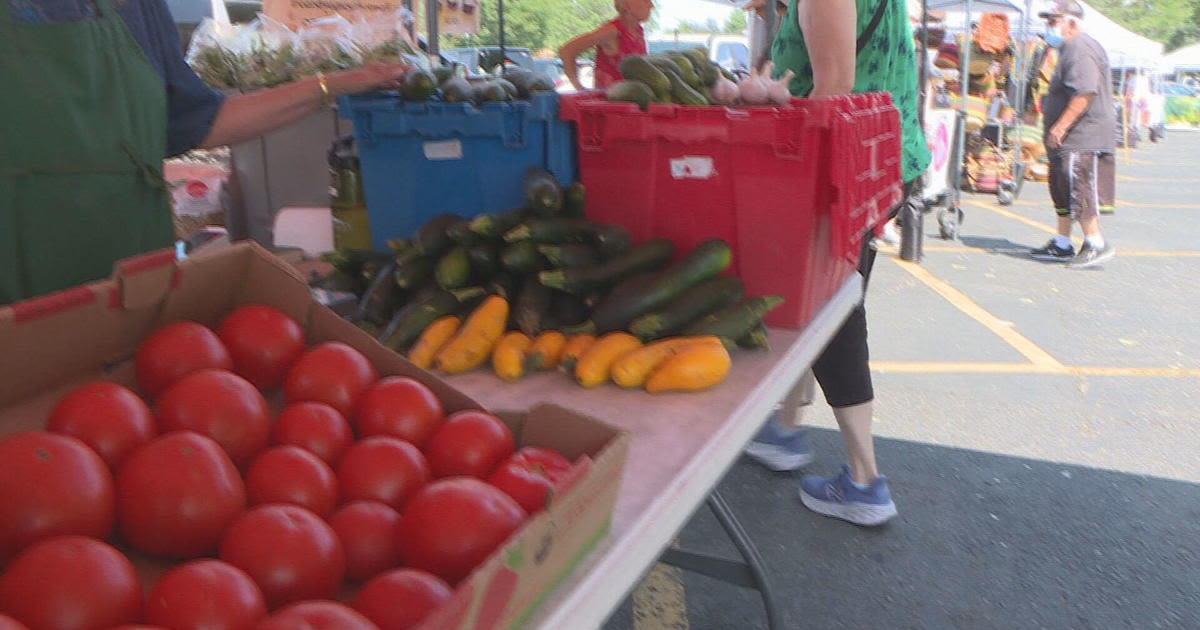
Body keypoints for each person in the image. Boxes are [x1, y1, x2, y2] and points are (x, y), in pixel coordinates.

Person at [0, 0, 408, 305]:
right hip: (22, 283)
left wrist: (331, 86)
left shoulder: (136, 7)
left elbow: (198, 122)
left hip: (130, 272)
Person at [744, 0, 931, 526]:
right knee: (815, 302)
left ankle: (865, 480)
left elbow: (833, 89)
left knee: (834, 311)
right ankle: (784, 429)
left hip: (849, 168)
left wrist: (774, 105)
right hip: (879, 155)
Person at [1028, 0, 1117, 268]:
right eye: (1047, 22)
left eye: (1053, 21)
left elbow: (1085, 92)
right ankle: (1062, 242)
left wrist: (1061, 125)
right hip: (1068, 138)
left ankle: (1096, 242)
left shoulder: (1081, 47)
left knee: (1079, 187)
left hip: (1082, 135)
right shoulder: (1067, 49)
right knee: (1062, 187)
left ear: (1072, 23)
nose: (1049, 27)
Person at [558, 0, 652, 91]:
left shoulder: (639, 31)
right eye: (645, 0)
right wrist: (579, 87)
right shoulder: (611, 30)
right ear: (626, 5)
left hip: (634, 101)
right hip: (609, 103)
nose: (651, 5)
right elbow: (567, 51)